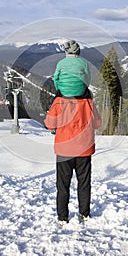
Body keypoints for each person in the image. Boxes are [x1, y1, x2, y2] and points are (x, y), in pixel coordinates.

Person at [44, 95, 101, 225]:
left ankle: (63, 216)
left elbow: (49, 124)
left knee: (63, 185)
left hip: (64, 150)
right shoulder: (88, 102)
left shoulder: (59, 101)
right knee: (84, 183)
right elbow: (97, 123)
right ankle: (84, 213)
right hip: (84, 149)